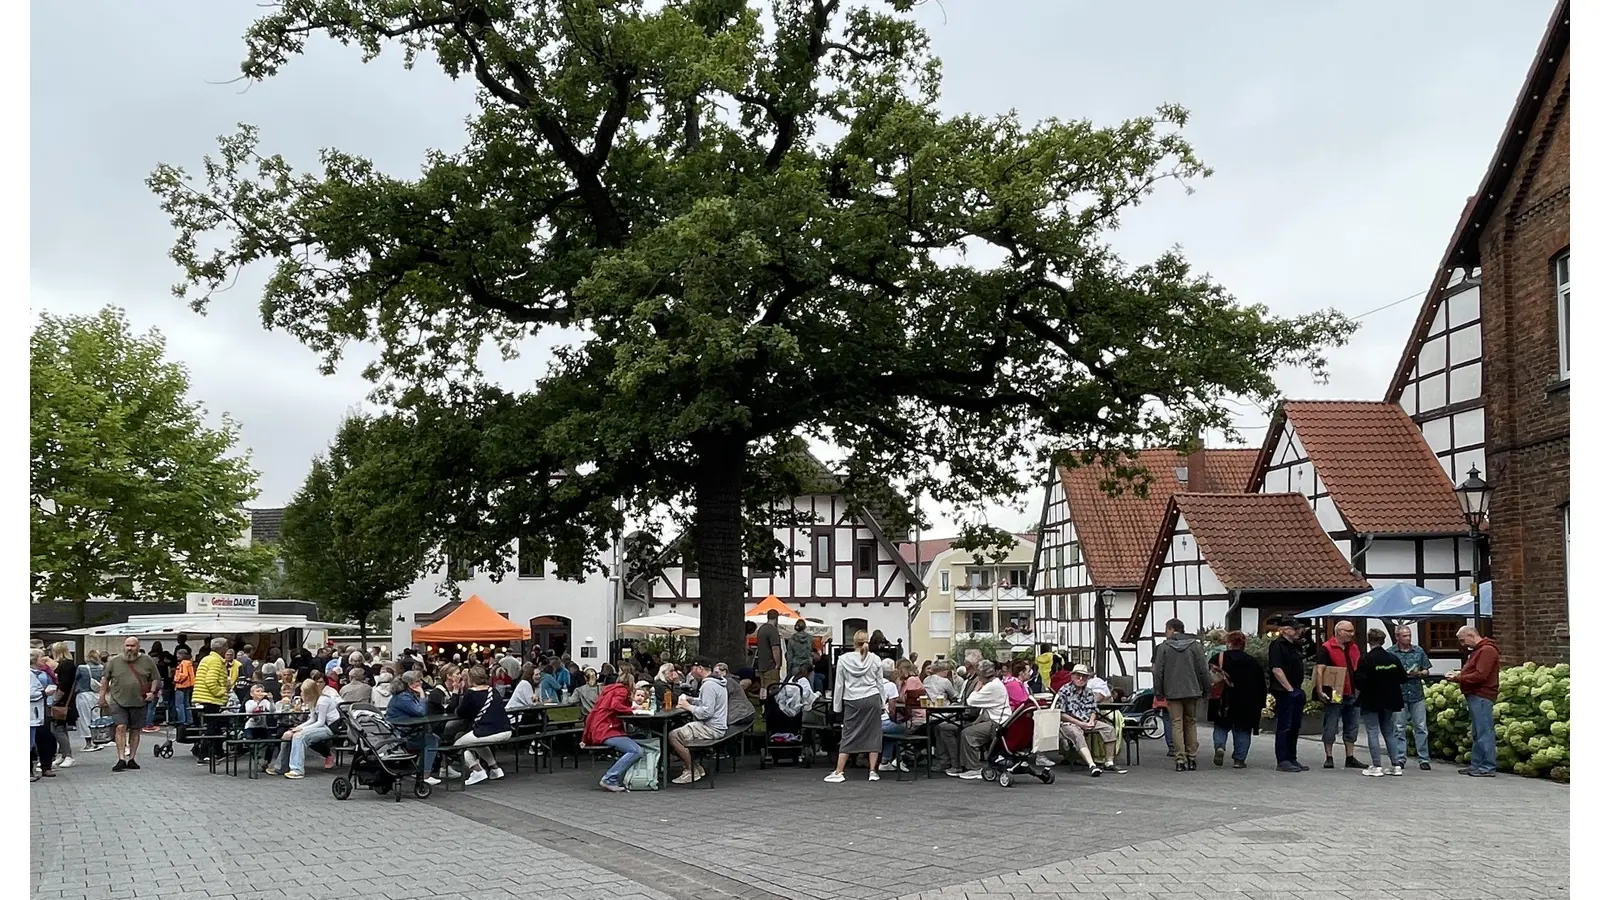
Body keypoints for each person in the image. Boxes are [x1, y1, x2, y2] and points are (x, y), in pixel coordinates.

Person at [826, 632, 887, 783]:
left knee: (848, 733)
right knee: (874, 734)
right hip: (872, 698)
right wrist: (883, 702)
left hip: (852, 699)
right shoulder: (875, 659)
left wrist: (837, 707)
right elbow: (880, 683)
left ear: (853, 642)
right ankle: (873, 771)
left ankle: (839, 771)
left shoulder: (843, 659)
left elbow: (839, 685)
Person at [1151, 618, 1209, 772]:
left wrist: (1159, 691)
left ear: (1171, 629)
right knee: (1191, 722)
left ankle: (1180, 760)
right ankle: (1192, 758)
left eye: (1166, 630)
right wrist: (1206, 689)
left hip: (1172, 691)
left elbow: (1158, 672)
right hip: (1192, 690)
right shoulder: (1195, 646)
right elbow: (1203, 669)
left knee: (1176, 723)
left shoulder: (1163, 648)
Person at [98, 637, 161, 772]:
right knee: (120, 727)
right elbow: (105, 679)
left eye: (132, 646)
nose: (129, 648)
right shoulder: (114, 661)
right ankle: (121, 758)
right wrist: (102, 697)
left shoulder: (147, 660)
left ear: (138, 646)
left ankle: (132, 758)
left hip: (139, 700)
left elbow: (155, 678)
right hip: (118, 700)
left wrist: (152, 692)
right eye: (127, 645)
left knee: (135, 729)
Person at [1050, 664, 1125, 775]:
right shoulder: (1064, 690)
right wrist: (1080, 723)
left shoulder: (1089, 691)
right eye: (1078, 676)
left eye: (1084, 676)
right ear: (1072, 676)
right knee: (1077, 734)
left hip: (1086, 720)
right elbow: (1061, 714)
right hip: (1069, 722)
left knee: (1109, 729)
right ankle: (1092, 765)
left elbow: (1093, 709)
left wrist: (1091, 721)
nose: (1081, 679)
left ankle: (1109, 762)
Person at [1447, 625, 1500, 777]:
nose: (1463, 644)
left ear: (1471, 635)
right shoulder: (1480, 650)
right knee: (1478, 732)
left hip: (1481, 695)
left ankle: (1487, 767)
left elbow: (1480, 675)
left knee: (1484, 731)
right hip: (1475, 695)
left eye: (1463, 640)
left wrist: (1458, 678)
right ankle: (1477, 764)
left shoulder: (1486, 650)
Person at [1314, 620, 1367, 770]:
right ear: (1339, 632)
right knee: (1331, 724)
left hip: (1353, 690)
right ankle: (1329, 757)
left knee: (1352, 725)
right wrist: (1319, 690)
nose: (1351, 634)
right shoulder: (1327, 648)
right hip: (1336, 690)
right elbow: (1320, 670)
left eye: (1352, 631)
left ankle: (1350, 757)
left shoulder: (1354, 648)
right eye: (1348, 631)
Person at [1353, 628, 1405, 777]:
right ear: (1383, 641)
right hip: (1391, 700)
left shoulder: (1366, 659)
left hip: (1371, 699)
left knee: (1373, 731)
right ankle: (1396, 765)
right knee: (1389, 731)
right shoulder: (1392, 658)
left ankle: (1376, 766)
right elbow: (1403, 677)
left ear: (1369, 641)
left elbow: (1359, 681)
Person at [1211, 631, 1266, 768]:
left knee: (1221, 726)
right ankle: (1239, 760)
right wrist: (1261, 703)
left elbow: (1208, 677)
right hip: (1246, 702)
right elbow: (1261, 685)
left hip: (1224, 700)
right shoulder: (1252, 662)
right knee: (1243, 730)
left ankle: (1220, 746)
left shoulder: (1218, 658)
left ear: (1229, 643)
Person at [668, 657, 727, 785]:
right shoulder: (717, 682)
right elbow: (706, 702)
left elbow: (706, 712)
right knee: (678, 733)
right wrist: (691, 699)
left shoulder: (709, 685)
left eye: (692, 668)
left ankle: (691, 770)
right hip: (717, 726)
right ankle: (696, 767)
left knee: (673, 736)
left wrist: (687, 707)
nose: (691, 672)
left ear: (700, 669)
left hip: (711, 728)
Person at [266, 677, 340, 779]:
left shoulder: (323, 701)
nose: (301, 694)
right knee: (288, 735)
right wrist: (297, 727)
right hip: (320, 726)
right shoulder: (313, 701)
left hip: (330, 727)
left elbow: (320, 722)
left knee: (298, 736)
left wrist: (301, 730)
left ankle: (297, 769)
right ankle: (281, 767)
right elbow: (312, 719)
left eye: (302, 692)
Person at [950, 660, 1010, 780]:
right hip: (998, 720)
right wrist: (977, 721)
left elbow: (971, 701)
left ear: (982, 675)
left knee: (968, 734)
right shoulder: (995, 683)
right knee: (966, 729)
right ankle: (963, 765)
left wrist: (976, 688)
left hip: (997, 723)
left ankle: (974, 768)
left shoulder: (991, 687)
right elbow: (986, 707)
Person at [452, 667, 511, 786]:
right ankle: (495, 769)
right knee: (475, 742)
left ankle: (477, 771)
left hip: (488, 730)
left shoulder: (471, 693)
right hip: (506, 730)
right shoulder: (493, 691)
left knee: (458, 745)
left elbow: (460, 712)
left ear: (470, 678)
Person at [584, 671, 643, 792]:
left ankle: (615, 777)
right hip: (607, 729)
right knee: (636, 750)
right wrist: (631, 710)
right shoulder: (622, 690)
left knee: (633, 746)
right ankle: (610, 778)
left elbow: (593, 713)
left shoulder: (608, 691)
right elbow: (615, 705)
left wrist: (586, 738)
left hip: (598, 729)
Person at [386, 671, 443, 785]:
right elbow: (420, 712)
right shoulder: (403, 698)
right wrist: (422, 695)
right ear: (410, 684)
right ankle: (425, 774)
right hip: (402, 734)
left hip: (407, 730)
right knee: (432, 741)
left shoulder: (406, 695)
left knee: (434, 738)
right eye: (418, 681)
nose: (421, 683)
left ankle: (419, 769)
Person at [1267, 619, 1309, 773]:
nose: (1298, 631)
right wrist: (1289, 689)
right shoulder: (1277, 645)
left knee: (1295, 726)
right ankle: (1283, 759)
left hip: (1295, 688)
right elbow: (1276, 669)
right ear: (1284, 629)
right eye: (1295, 629)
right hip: (1285, 691)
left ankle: (1292, 757)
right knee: (1285, 726)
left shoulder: (1295, 646)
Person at [1390, 625, 1432, 771]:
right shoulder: (1391, 653)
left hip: (1416, 693)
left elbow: (1426, 669)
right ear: (1397, 637)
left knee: (1421, 727)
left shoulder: (1418, 651)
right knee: (1399, 727)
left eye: (1409, 635)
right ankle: (1400, 758)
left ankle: (1424, 759)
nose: (1408, 638)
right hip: (1399, 693)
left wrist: (1420, 673)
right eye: (1405, 636)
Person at [48, 643, 78, 769]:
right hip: (65, 700)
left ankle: (68, 755)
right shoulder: (67, 664)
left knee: (57, 729)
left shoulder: (65, 665)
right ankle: (64, 754)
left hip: (63, 701)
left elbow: (64, 685)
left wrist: (55, 699)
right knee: (61, 728)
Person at [30, 650, 58, 781]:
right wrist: (44, 693)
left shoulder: (43, 673)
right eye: (42, 657)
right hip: (32, 711)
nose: (45, 659)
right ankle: (29, 770)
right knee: (30, 740)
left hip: (43, 708)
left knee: (46, 737)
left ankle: (46, 766)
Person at [74, 651, 106, 754]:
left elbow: (76, 679)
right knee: (96, 717)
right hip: (97, 694)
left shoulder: (82, 668)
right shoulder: (102, 668)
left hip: (83, 694)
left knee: (84, 718)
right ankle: (98, 740)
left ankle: (89, 743)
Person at [171, 648, 195, 728]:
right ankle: (189, 720)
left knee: (179, 705)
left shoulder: (183, 663)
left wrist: (176, 679)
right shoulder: (189, 663)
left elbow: (183, 675)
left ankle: (182, 721)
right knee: (187, 704)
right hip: (188, 686)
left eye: (178, 654)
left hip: (181, 686)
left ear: (182, 655)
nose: (177, 656)